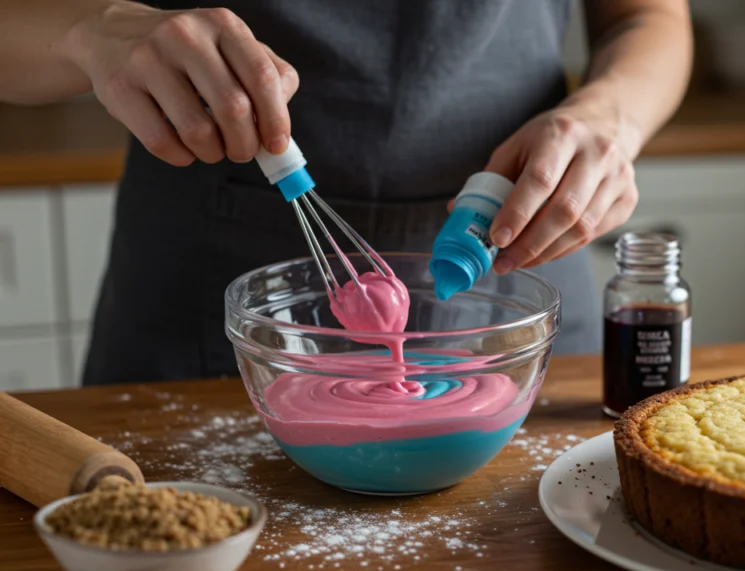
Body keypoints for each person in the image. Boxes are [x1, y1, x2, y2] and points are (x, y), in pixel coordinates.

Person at [0, 1, 692, 384]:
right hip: (206, 301)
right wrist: (89, 34)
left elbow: (648, 17)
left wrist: (611, 115)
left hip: (519, 266)